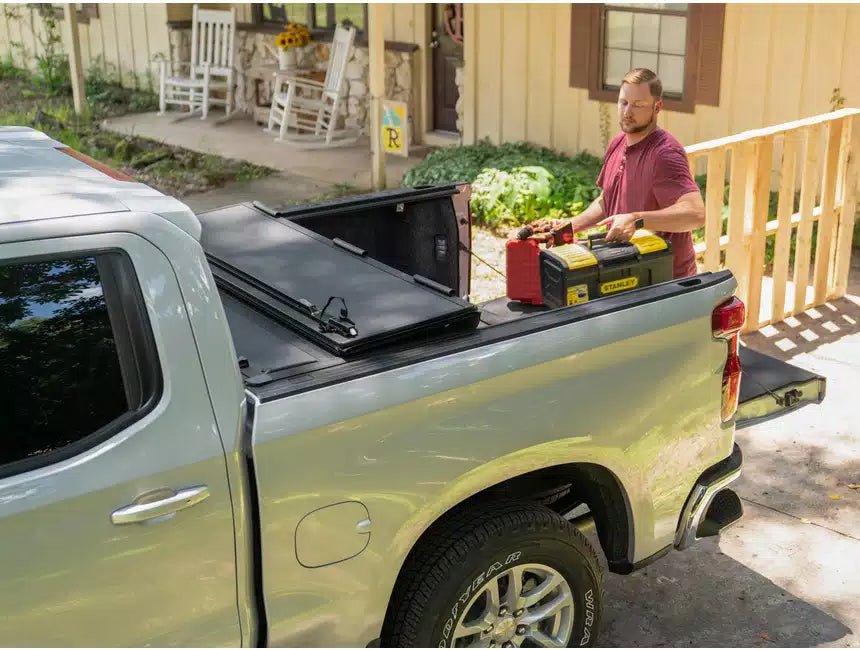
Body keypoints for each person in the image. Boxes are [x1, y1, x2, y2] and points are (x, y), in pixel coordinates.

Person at [551, 68, 705, 279]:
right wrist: (568, 227)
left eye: (638, 105)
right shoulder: (617, 143)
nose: (627, 112)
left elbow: (695, 214)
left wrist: (636, 220)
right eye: (623, 102)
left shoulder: (665, 153)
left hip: (665, 282)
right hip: (626, 273)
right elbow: (607, 202)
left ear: (657, 107)